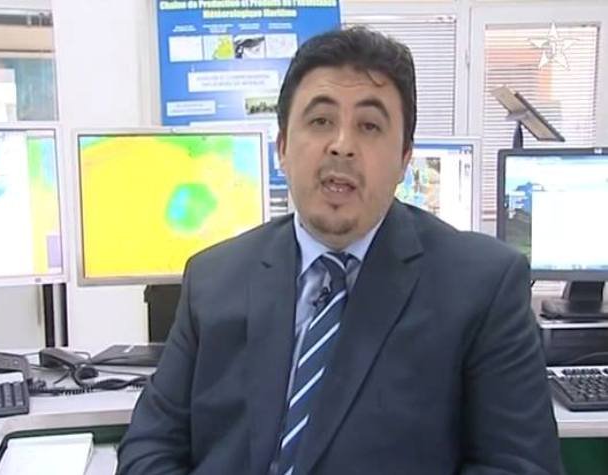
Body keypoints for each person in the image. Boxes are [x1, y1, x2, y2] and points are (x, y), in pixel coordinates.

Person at [117, 27, 561, 475]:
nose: (342, 145)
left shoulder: (483, 287)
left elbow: (519, 466)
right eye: (320, 121)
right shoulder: (212, 279)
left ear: (404, 158)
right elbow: (149, 447)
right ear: (282, 148)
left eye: (369, 126)